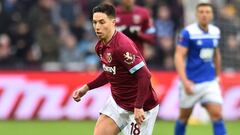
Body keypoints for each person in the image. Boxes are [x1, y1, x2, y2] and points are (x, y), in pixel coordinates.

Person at [72, 3, 159, 135]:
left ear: (113, 22)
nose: (97, 27)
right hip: (117, 103)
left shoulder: (122, 47)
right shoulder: (100, 46)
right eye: (95, 22)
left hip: (141, 106)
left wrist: (138, 106)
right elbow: (110, 72)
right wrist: (87, 87)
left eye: (102, 22)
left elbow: (145, 75)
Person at [174, 3, 227, 135]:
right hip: (192, 82)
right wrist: (185, 81)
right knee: (184, 118)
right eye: (201, 12)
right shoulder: (188, 32)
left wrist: (218, 76)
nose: (204, 14)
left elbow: (216, 54)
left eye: (207, 12)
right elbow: (179, 56)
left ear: (212, 14)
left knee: (217, 114)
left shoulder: (216, 31)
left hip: (210, 81)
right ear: (197, 14)